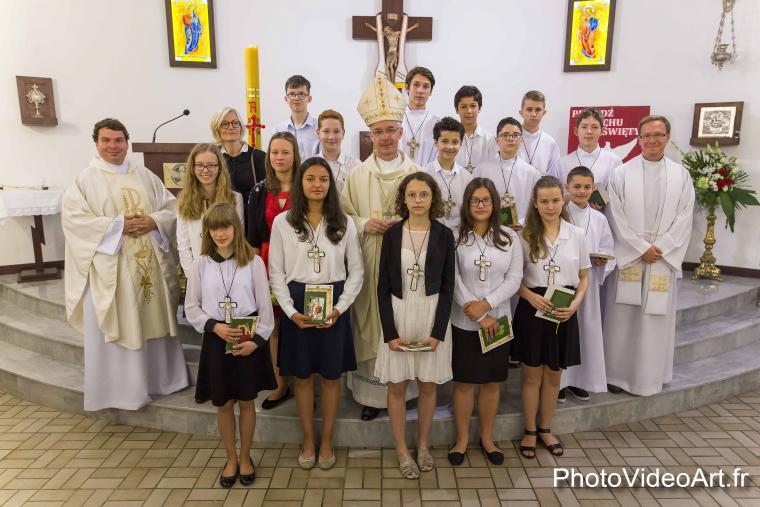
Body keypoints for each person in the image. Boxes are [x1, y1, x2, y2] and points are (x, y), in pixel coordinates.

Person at [62, 118, 188, 411]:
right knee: (124, 321)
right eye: (106, 140)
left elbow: (171, 209)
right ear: (96, 143)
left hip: (149, 266)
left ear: (127, 142)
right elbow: (75, 222)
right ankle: (123, 391)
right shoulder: (84, 181)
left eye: (119, 140)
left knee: (152, 318)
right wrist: (118, 226)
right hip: (113, 269)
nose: (113, 146)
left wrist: (153, 221)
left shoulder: (145, 176)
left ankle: (161, 381)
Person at [268, 157, 364, 470]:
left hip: (334, 304)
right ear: (301, 182)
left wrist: (340, 307)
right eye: (310, 178)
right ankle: (309, 439)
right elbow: (276, 272)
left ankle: (327, 441)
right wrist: (290, 311)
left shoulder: (344, 223)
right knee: (303, 378)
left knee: (331, 378)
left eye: (323, 179)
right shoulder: (283, 222)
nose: (317, 184)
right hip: (297, 303)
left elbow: (356, 272)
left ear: (331, 184)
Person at [341, 75, 422, 421]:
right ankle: (371, 396)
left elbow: (429, 218)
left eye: (391, 130)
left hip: (407, 266)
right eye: (378, 131)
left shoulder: (416, 174)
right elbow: (342, 217)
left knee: (404, 322)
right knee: (371, 323)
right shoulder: (356, 175)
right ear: (370, 136)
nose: (385, 137)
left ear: (401, 132)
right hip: (369, 262)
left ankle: (405, 391)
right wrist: (363, 224)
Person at [184, 202, 276, 488]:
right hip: (217, 339)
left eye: (225, 227)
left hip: (246, 339)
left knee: (247, 402)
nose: (220, 233)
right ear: (207, 232)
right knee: (223, 404)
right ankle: (231, 459)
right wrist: (214, 326)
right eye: (214, 228)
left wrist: (256, 342)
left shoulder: (253, 262)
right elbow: (191, 306)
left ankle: (246, 456)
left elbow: (265, 308)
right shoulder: (200, 264)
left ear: (236, 228)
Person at [603, 115, 695, 396]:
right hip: (631, 256)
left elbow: (685, 217)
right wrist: (641, 248)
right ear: (638, 138)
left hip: (662, 258)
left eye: (658, 135)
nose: (652, 140)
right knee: (623, 319)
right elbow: (615, 216)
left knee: (654, 321)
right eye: (646, 135)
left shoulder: (681, 175)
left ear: (668, 137)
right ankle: (617, 375)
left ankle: (651, 377)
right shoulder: (621, 173)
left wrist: (662, 247)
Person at [376, 172, 455, 479]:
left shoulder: (444, 235)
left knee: (427, 385)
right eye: (412, 195)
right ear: (404, 199)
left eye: (424, 194)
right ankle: (401, 450)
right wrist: (389, 333)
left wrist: (438, 334)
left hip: (431, 315)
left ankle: (423, 445)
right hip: (400, 313)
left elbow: (448, 287)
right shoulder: (393, 234)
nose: (418, 200)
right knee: (397, 386)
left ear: (433, 198)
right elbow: (382, 286)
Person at [513, 176, 590, 459]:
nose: (550, 206)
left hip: (563, 308)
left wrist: (575, 304)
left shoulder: (576, 234)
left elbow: (584, 277)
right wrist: (529, 296)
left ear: (563, 200)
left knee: (554, 374)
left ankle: (546, 428)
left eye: (555, 200)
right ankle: (530, 430)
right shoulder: (524, 236)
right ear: (535, 203)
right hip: (533, 307)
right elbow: (513, 278)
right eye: (544, 201)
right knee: (531, 374)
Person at [448, 178, 523, 466]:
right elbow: (452, 278)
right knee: (464, 383)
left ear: (495, 203)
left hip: (498, 321)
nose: (481, 205)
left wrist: (488, 305)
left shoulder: (508, 237)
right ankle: (462, 439)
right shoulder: (455, 236)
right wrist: (478, 313)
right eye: (475, 200)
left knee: (492, 383)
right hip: (465, 320)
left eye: (486, 200)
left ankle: (488, 438)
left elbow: (514, 279)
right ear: (467, 204)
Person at [247, 131, 300, 409]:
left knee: (300, 322)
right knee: (274, 324)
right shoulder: (259, 190)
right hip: (267, 262)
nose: (279, 157)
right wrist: (255, 274)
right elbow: (253, 237)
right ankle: (280, 385)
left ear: (295, 155)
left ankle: (304, 384)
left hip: (300, 262)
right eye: (275, 152)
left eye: (285, 152)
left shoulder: (305, 187)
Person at [558, 167, 615, 403]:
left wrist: (602, 259)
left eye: (586, 187)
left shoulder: (599, 218)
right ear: (567, 187)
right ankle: (559, 382)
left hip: (587, 283)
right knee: (561, 329)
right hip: (562, 279)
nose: (581, 191)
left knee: (585, 330)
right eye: (577, 186)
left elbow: (607, 247)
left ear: (593, 189)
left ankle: (580, 381)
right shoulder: (559, 213)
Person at [177, 143, 244, 275]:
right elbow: (183, 244)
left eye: (211, 165)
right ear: (192, 168)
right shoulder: (184, 200)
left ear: (220, 167)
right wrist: (192, 275)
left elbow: (238, 238)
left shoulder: (235, 199)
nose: (205, 170)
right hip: (197, 271)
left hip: (228, 271)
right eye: (199, 165)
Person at [475, 117, 541, 228]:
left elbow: (536, 204)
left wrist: (522, 223)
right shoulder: (482, 170)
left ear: (521, 140)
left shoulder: (532, 173)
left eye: (515, 135)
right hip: (489, 228)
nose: (511, 139)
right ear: (497, 140)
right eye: (505, 135)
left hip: (521, 230)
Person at [552, 108, 622, 193]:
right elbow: (554, 194)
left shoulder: (613, 161)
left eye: (594, 127)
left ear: (602, 131)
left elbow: (618, 195)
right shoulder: (561, 164)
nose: (589, 131)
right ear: (576, 131)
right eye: (584, 127)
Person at [422, 117, 472, 229]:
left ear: (461, 144)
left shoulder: (467, 178)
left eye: (455, 142)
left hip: (459, 234)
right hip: (430, 232)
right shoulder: (423, 174)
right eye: (445, 141)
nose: (450, 147)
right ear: (436, 143)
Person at [209, 107, 266, 204]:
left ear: (241, 127)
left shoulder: (259, 157)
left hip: (252, 212)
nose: (231, 127)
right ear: (217, 129)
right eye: (225, 124)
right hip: (221, 212)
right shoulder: (212, 157)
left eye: (235, 123)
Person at [399, 66, 439, 166]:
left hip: (427, 174)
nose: (420, 91)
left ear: (430, 92)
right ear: (407, 87)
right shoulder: (396, 118)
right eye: (416, 85)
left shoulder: (436, 123)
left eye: (426, 86)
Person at [453, 85, 497, 174]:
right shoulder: (450, 138)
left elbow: (494, 171)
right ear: (457, 109)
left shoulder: (490, 140)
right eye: (463, 106)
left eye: (473, 106)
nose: (469, 111)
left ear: (479, 108)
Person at [273, 75, 319, 158]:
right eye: (291, 94)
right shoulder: (278, 130)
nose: (296, 98)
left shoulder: (320, 128)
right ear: (286, 99)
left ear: (309, 98)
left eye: (301, 94)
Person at [316, 109, 360, 193]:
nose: (331, 137)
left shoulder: (355, 165)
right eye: (326, 131)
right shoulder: (310, 165)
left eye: (336, 131)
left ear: (343, 133)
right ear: (318, 133)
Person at [518, 91, 561, 176]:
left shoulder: (550, 142)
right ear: (521, 112)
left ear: (544, 113)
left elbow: (554, 175)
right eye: (529, 109)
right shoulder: (511, 139)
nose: (533, 114)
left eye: (538, 110)